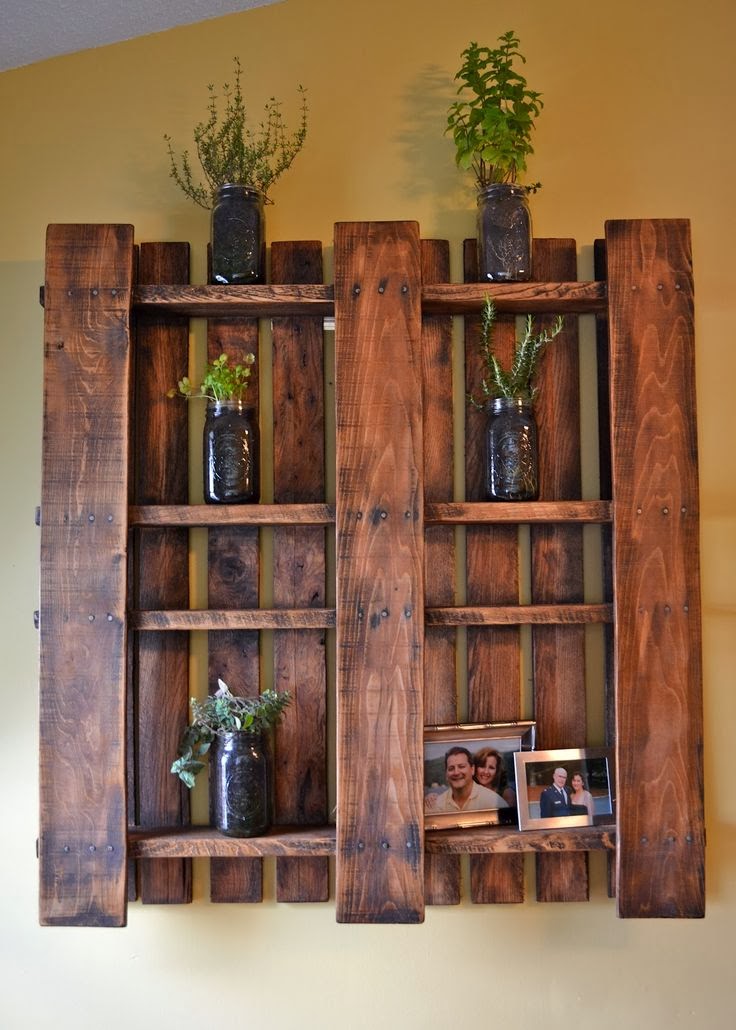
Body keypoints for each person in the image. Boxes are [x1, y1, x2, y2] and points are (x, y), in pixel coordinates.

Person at [425, 746, 508, 813]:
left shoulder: (495, 803)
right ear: (446, 773)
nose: (456, 772)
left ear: (472, 769)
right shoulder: (433, 805)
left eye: (461, 766)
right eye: (451, 768)